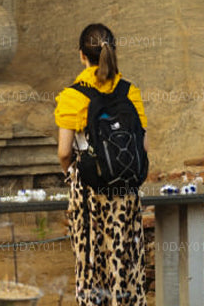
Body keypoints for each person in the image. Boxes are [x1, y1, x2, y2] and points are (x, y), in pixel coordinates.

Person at [54, 24, 149, 306]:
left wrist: (71, 174)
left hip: (89, 194)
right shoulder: (130, 92)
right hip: (125, 194)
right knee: (125, 265)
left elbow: (63, 152)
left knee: (92, 266)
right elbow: (143, 147)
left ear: (82, 55)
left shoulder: (73, 96)